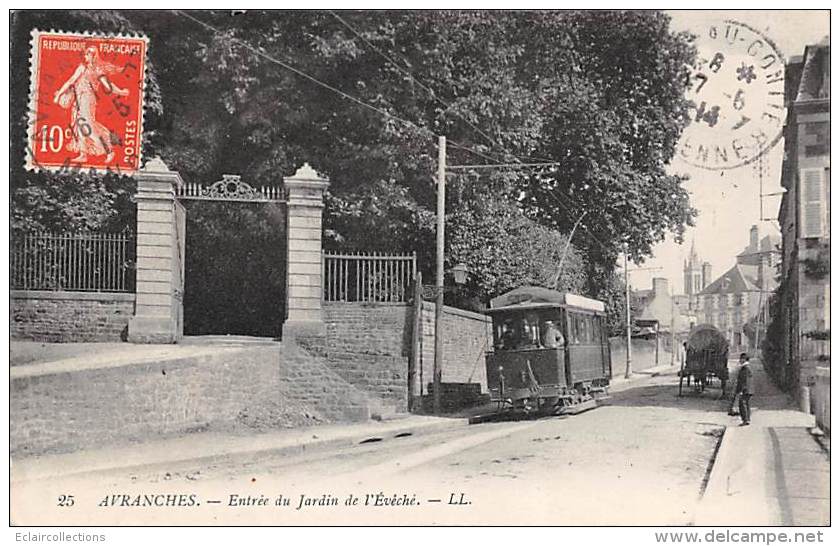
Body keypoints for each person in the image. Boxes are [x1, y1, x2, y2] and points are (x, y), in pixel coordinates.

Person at [53, 46, 129, 164]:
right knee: (79, 126)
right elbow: (71, 81)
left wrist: (121, 92)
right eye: (85, 54)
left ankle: (109, 151)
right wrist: (59, 95)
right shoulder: (82, 67)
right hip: (78, 99)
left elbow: (108, 86)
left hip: (88, 99)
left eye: (88, 54)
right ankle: (83, 154)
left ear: (94, 56)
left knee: (89, 127)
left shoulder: (98, 70)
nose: (85, 56)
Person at [731, 353, 754, 425]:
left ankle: (745, 420)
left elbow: (744, 380)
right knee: (747, 404)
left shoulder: (745, 368)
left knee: (742, 404)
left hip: (745, 390)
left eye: (741, 359)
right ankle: (747, 419)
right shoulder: (747, 367)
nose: (740, 360)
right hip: (749, 389)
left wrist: (741, 390)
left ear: (744, 359)